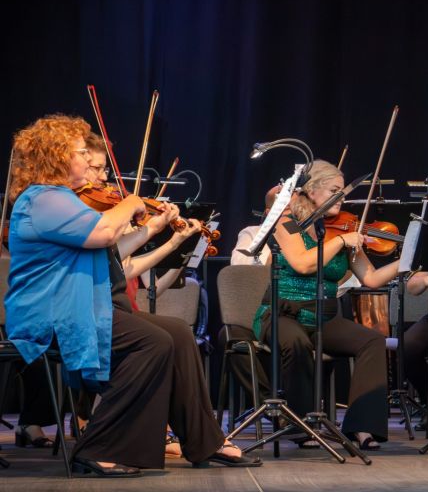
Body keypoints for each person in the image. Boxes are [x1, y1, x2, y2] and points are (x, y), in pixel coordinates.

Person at [4, 115, 259, 477]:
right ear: (57, 156)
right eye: (83, 153)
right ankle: (99, 447)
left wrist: (153, 228)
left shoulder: (61, 200)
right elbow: (105, 232)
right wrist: (133, 202)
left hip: (78, 306)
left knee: (178, 333)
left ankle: (205, 441)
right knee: (151, 342)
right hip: (51, 313)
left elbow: (107, 249)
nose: (93, 164)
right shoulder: (42, 198)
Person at [254, 159, 400, 449]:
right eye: (335, 190)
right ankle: (301, 424)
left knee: (371, 341)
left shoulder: (333, 231)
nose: (342, 198)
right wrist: (342, 241)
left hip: (324, 317)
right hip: (284, 313)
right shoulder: (286, 223)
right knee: (295, 342)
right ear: (312, 190)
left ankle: (362, 426)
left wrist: (405, 262)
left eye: (342, 192)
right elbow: (303, 263)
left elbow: (370, 278)